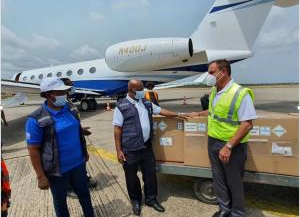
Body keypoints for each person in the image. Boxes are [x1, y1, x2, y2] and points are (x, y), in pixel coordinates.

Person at [113, 79, 189, 216]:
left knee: (150, 176)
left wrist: (179, 114)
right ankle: (136, 201)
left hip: (146, 147)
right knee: (131, 177)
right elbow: (117, 128)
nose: (143, 92)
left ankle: (151, 199)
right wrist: (118, 150)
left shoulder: (147, 103)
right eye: (140, 89)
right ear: (131, 90)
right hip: (130, 149)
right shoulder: (121, 106)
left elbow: (161, 111)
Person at [190, 59, 256, 217]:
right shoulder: (215, 91)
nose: (209, 75)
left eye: (212, 72)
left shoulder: (240, 93)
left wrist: (229, 146)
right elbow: (214, 112)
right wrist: (199, 113)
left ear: (224, 72)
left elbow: (247, 124)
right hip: (213, 141)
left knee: (234, 181)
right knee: (218, 178)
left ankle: (238, 213)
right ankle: (224, 210)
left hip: (232, 145)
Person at [25, 77, 94, 217]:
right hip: (57, 170)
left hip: (78, 164)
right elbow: (33, 149)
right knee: (60, 201)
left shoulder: (70, 108)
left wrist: (84, 151)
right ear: (49, 94)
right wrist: (40, 176)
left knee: (84, 194)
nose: (66, 94)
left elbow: (76, 128)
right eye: (61, 92)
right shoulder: (36, 119)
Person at [60, 78, 97, 190]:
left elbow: (72, 121)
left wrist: (81, 129)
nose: (73, 88)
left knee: (80, 159)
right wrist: (80, 131)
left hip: (77, 136)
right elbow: (65, 125)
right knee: (72, 161)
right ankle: (70, 186)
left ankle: (81, 178)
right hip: (70, 139)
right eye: (70, 85)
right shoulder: (62, 104)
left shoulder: (68, 101)